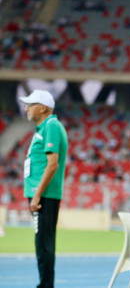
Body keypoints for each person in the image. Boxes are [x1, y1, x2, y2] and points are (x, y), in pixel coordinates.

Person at [19, 89, 68, 288]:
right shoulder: (44, 128)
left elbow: (52, 164)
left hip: (44, 196)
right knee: (42, 244)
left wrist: (37, 195)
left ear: (43, 108)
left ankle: (45, 285)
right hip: (41, 195)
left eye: (30, 105)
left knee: (43, 245)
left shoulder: (52, 126)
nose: (26, 108)